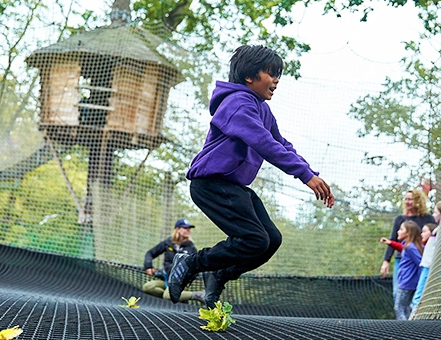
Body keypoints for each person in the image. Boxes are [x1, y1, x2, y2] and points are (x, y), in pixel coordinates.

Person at [167, 44, 335, 308]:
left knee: (271, 240)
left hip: (233, 186)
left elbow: (281, 144)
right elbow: (262, 142)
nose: (276, 80)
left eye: (278, 74)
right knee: (255, 239)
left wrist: (311, 172)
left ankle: (219, 275)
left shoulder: (261, 109)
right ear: (250, 76)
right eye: (271, 73)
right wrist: (304, 176)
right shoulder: (236, 103)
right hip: (211, 184)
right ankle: (191, 262)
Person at [380, 189, 436, 303]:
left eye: (410, 199)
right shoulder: (400, 219)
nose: (407, 202)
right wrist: (386, 261)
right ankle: (404, 319)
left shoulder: (427, 219)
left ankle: (414, 317)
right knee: (398, 293)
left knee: (417, 292)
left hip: (420, 259)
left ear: (418, 201)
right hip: (402, 259)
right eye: (406, 199)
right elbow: (392, 240)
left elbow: (434, 237)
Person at [142, 218, 205, 303]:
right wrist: (148, 266)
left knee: (168, 295)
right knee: (148, 287)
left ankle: (198, 294)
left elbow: (196, 265)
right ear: (178, 229)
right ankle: (172, 296)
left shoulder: (191, 247)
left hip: (180, 281)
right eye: (185, 228)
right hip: (166, 278)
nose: (188, 230)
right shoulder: (168, 243)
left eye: (189, 228)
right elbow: (150, 253)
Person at [380, 221, 424, 320]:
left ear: (408, 233)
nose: (398, 232)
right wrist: (390, 243)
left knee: (399, 307)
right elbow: (402, 248)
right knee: (406, 308)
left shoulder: (410, 247)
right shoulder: (408, 246)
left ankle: (404, 329)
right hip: (408, 281)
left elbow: (420, 262)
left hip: (406, 282)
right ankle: (410, 326)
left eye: (401, 229)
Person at [411, 201, 441, 311]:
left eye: (435, 212)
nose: (433, 215)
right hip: (427, 266)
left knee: (418, 297)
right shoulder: (438, 229)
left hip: (430, 267)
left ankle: (415, 323)